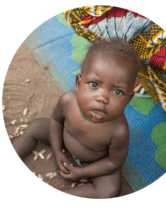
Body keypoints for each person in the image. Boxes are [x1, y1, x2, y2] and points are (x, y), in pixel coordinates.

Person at [13, 38, 142, 198]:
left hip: (93, 163)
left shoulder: (119, 130)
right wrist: (57, 150)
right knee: (35, 127)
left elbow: (113, 162)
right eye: (94, 85)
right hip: (63, 140)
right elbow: (55, 121)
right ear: (78, 83)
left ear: (128, 99)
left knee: (109, 191)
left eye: (117, 92)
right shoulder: (68, 101)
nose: (102, 98)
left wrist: (82, 172)